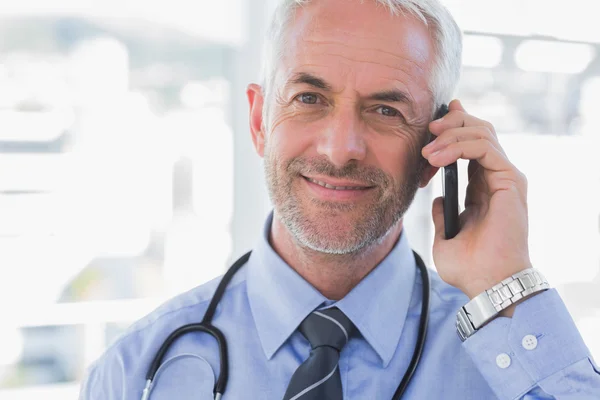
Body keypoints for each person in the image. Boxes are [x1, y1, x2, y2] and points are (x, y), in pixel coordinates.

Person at [79, 0, 600, 399]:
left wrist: (506, 286)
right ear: (260, 121)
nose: (341, 148)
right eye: (309, 99)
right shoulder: (135, 371)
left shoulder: (511, 365)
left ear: (433, 149)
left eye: (385, 111)